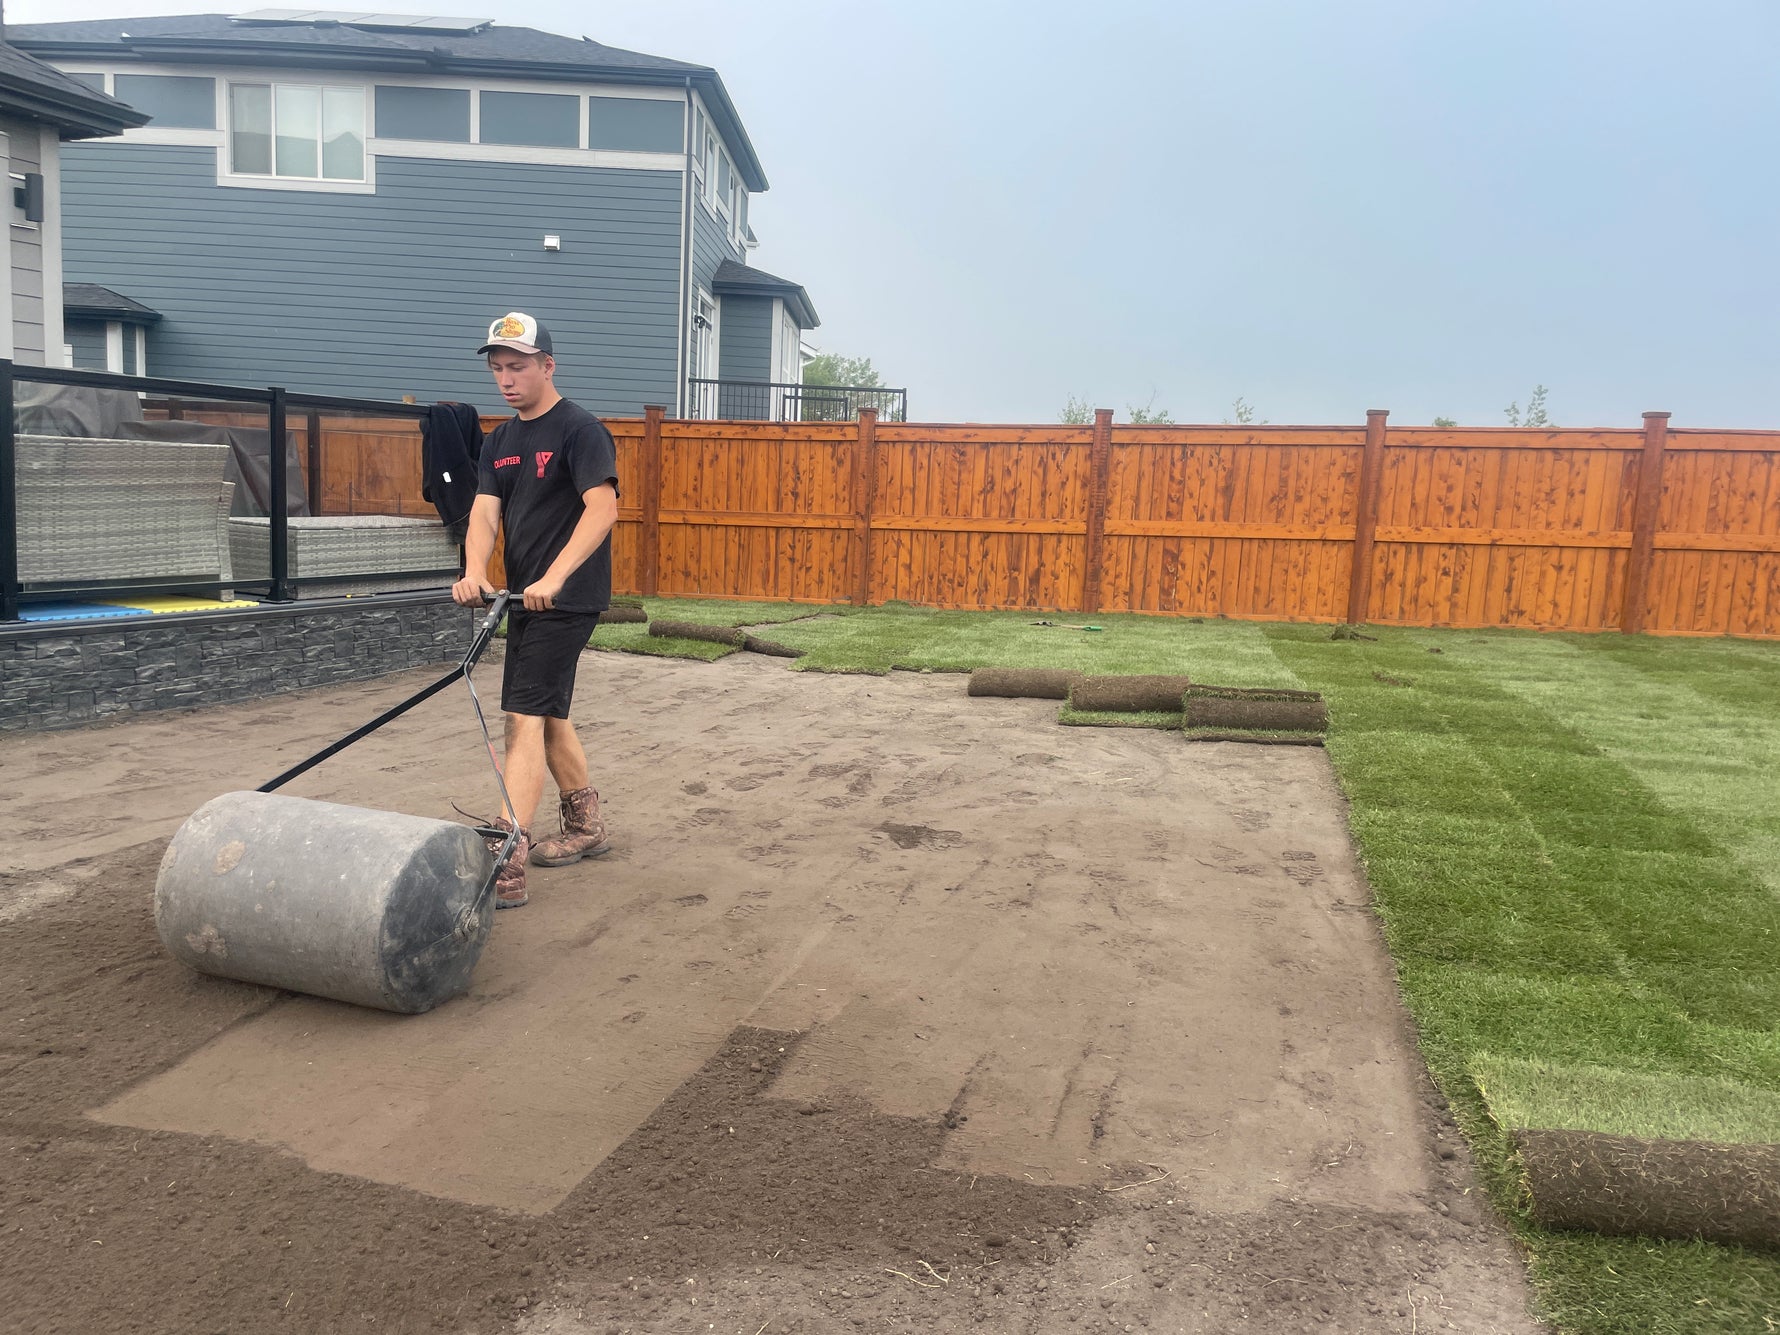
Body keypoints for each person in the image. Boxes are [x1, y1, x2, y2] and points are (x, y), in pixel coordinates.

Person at [451, 312, 620, 909]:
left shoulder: (580, 430)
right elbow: (484, 514)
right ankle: (586, 823)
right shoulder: (499, 441)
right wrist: (474, 571)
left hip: (567, 598)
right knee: (545, 711)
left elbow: (602, 510)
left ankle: (506, 852)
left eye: (517, 366)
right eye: (497, 368)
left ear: (547, 366)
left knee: (522, 715)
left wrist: (555, 575)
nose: (506, 379)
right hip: (522, 597)